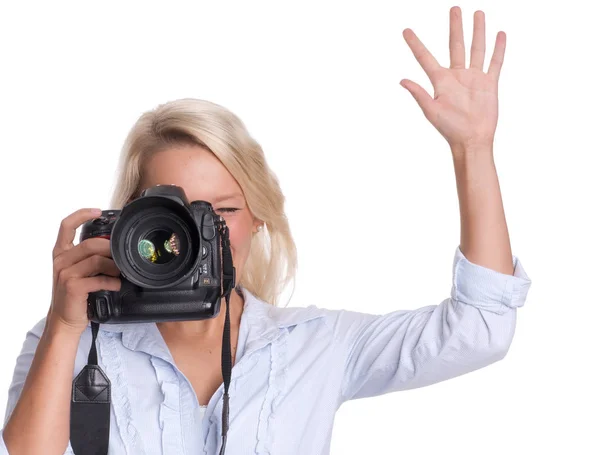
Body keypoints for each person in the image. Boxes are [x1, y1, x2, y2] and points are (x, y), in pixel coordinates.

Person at [0, 6, 531, 455]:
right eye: (177, 216)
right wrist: (66, 325)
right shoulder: (73, 339)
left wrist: (473, 151)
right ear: (133, 220)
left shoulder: (316, 346)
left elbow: (479, 331)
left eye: (221, 212)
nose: (195, 237)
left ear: (259, 219)